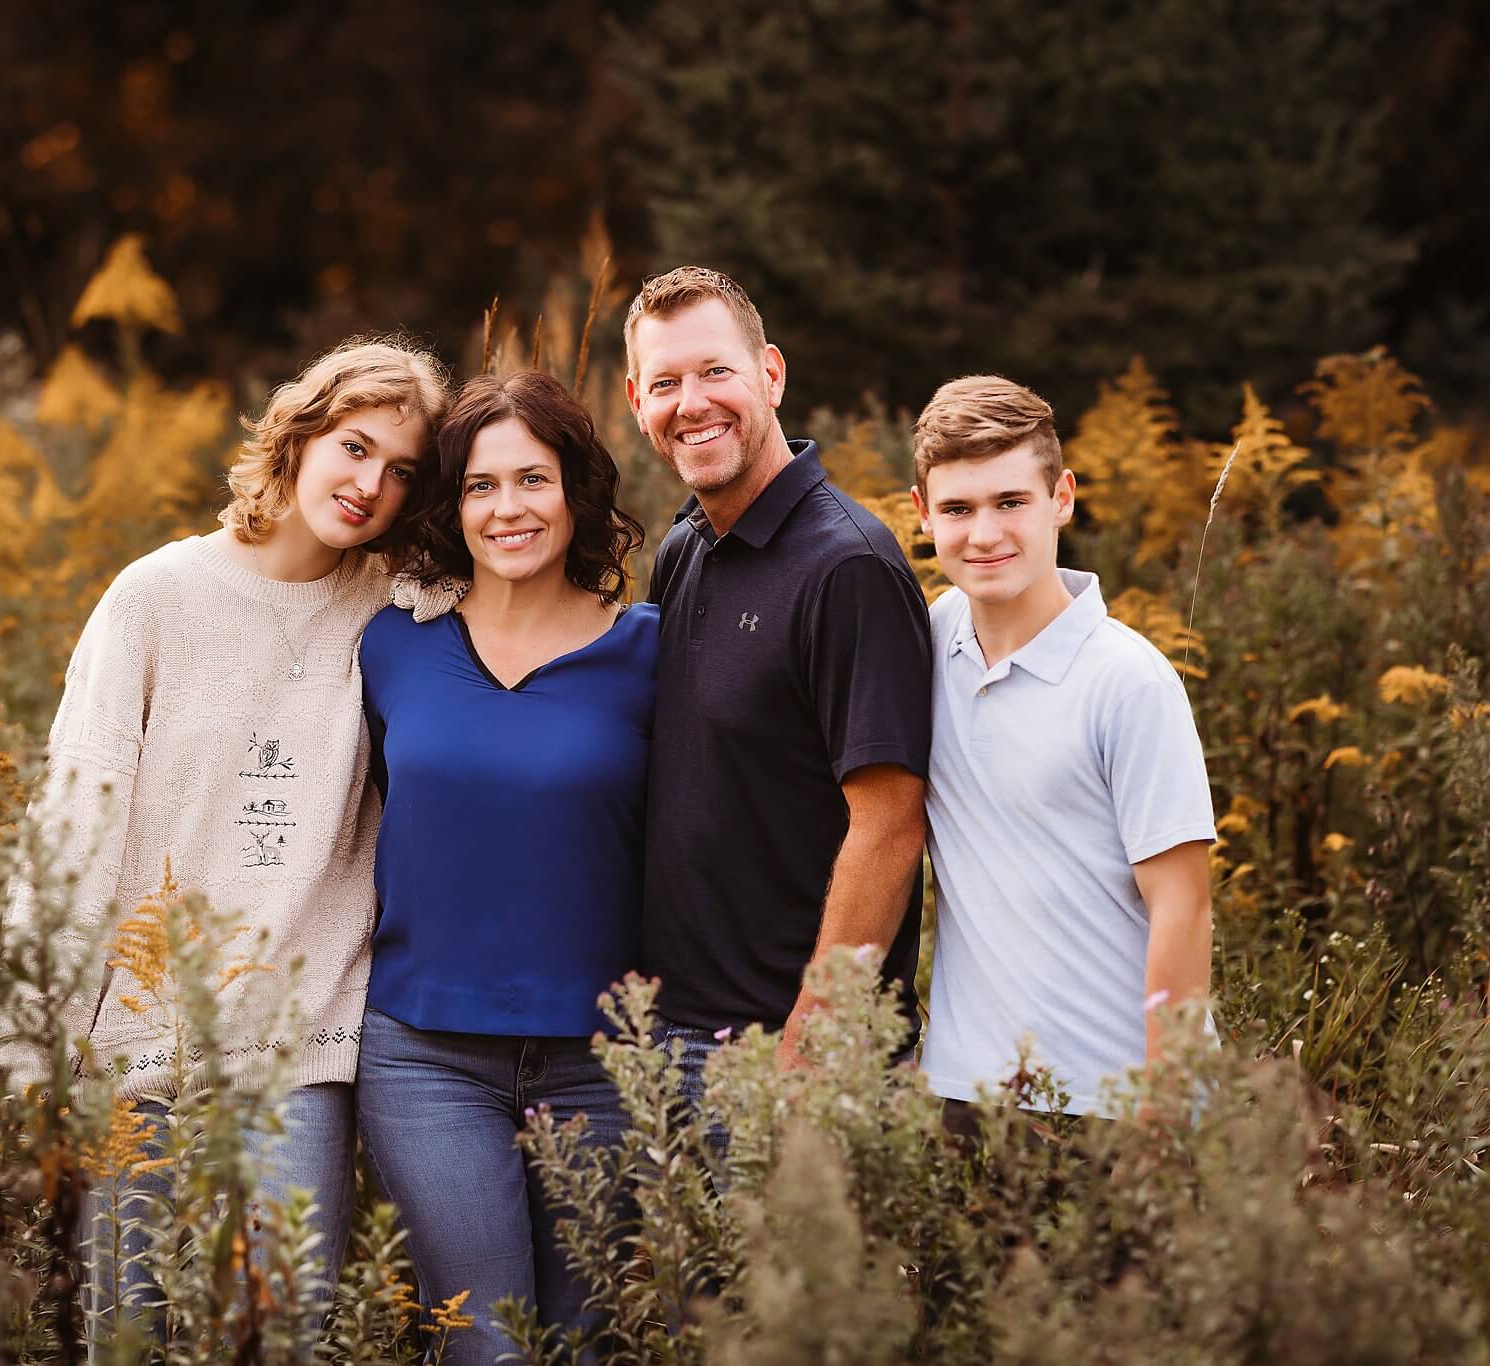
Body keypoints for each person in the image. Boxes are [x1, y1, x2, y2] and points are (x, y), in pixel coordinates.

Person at [0, 337, 453, 1354]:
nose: (369, 483)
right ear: (296, 437)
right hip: (137, 1045)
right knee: (131, 1332)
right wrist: (36, 1044)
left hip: (298, 1045)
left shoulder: (404, 610)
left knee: (290, 1332)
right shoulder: (155, 599)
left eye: (401, 471)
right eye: (353, 446)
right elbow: (72, 825)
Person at [357, 369, 656, 1362]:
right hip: (424, 1055)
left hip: (602, 1063)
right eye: (480, 486)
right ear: (453, 505)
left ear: (575, 490)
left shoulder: (653, 654)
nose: (506, 508)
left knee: (581, 1342)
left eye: (531, 479)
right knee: (489, 1346)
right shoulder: (389, 644)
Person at [622, 265, 931, 1103]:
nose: (693, 403)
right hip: (669, 1038)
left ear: (771, 373)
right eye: (665, 383)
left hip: (789, 1053)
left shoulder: (849, 567)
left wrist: (816, 1038)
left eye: (717, 371)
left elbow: (892, 824)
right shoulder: (684, 549)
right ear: (636, 401)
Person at [907, 375, 1217, 1134]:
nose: (984, 534)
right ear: (922, 515)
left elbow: (1183, 905)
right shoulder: (927, 637)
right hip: (967, 1095)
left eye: (1011, 502)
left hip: (1112, 1104)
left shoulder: (1128, 680)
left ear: (1063, 498)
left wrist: (1164, 1106)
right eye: (957, 509)